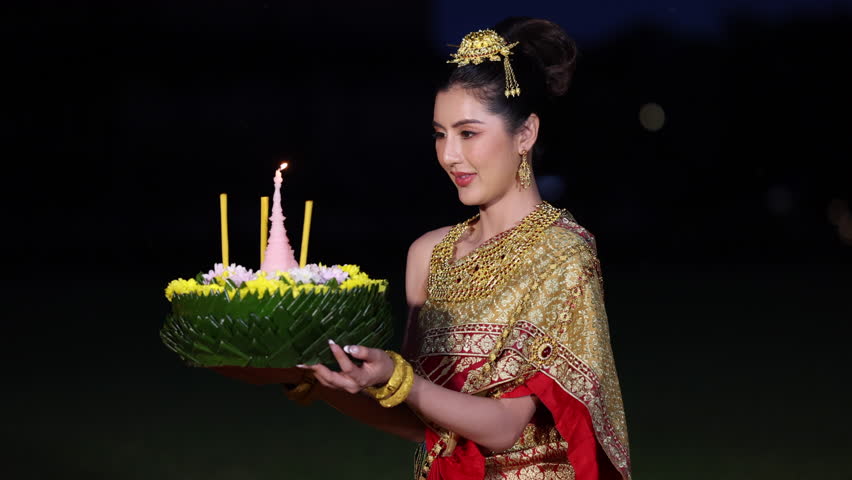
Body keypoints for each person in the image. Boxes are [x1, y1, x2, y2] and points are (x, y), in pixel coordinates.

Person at [294, 17, 631, 480]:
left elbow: (506, 428)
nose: (449, 154)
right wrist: (320, 379)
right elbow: (424, 423)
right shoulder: (427, 255)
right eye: (439, 133)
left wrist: (397, 378)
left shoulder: (561, 254)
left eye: (467, 133)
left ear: (526, 134)